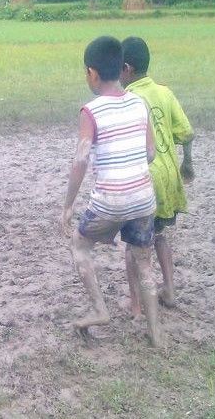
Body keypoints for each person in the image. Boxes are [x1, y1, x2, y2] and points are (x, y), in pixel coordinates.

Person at [61, 36, 163, 346]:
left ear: (92, 73)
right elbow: (150, 153)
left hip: (110, 200)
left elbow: (80, 161)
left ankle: (99, 310)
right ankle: (156, 335)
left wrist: (67, 206)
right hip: (144, 199)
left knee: (80, 244)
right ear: (122, 68)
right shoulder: (139, 102)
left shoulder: (90, 111)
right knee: (144, 263)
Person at [120, 36, 194, 311]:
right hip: (170, 179)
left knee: (132, 244)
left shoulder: (128, 99)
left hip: (144, 179)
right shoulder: (164, 92)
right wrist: (189, 163)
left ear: (126, 69)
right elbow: (187, 133)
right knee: (159, 235)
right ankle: (170, 291)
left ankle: (136, 302)